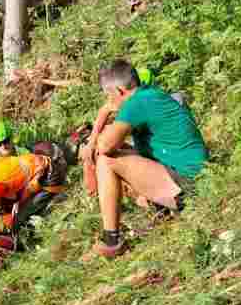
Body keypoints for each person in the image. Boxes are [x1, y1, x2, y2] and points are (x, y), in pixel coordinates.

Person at [80, 59, 207, 259]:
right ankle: (160, 211)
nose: (108, 102)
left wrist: (102, 119)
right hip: (191, 178)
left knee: (107, 160)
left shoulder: (137, 103)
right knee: (121, 151)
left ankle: (112, 241)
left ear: (120, 91)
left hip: (189, 184)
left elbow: (104, 147)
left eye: (109, 96)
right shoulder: (149, 96)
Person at [0, 149, 67, 253]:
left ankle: (30, 245)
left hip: (50, 177)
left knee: (18, 220)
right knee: (15, 208)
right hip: (40, 164)